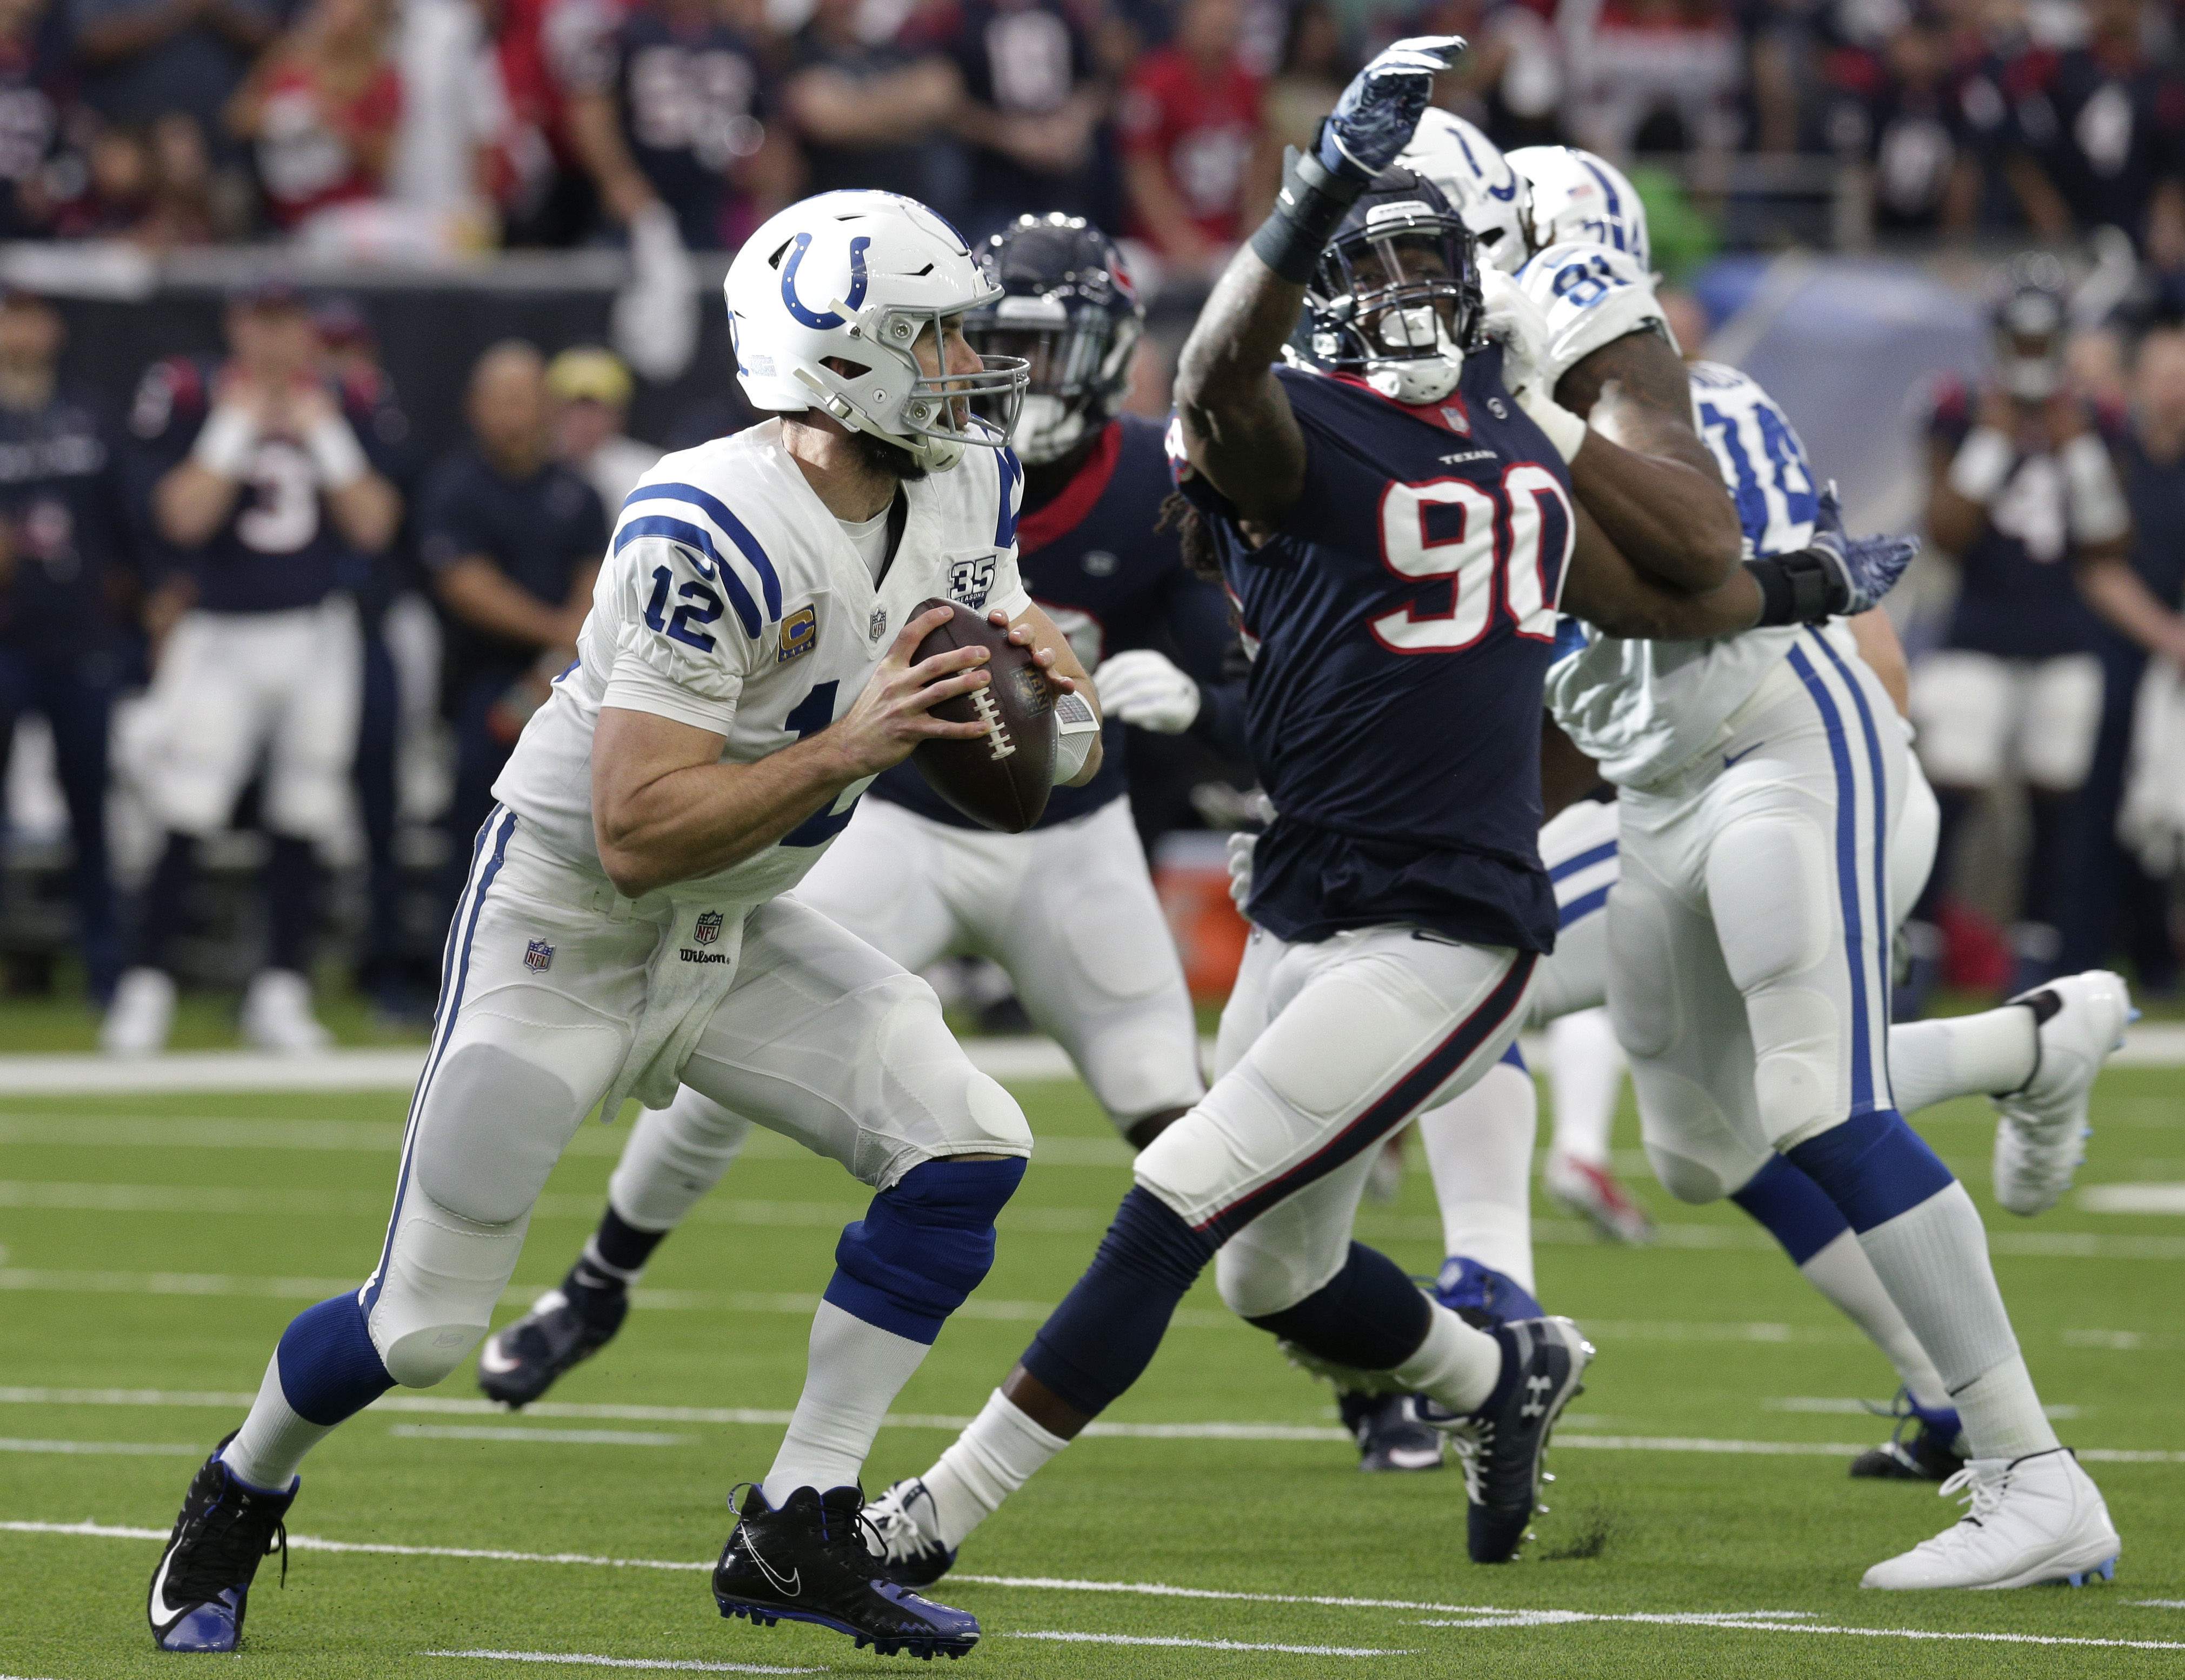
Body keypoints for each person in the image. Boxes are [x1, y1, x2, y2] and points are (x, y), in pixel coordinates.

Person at [855, 39, 1909, 1585]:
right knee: (1270, 1276)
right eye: (1378, 256)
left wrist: (1804, 583)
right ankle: (1500, 1375)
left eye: (1431, 254)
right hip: (1308, 890)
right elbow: (1213, 376)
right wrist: (1310, 193)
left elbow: (1654, 598)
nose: (1412, 285)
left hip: (1449, 918)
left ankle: (927, 1515)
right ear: (1322, 287)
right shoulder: (1285, 422)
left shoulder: (1514, 443)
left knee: (1176, 1196)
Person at [142, 186, 1105, 1661]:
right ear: (839, 362)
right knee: (419, 1327)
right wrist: (852, 747)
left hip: (739, 925)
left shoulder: (967, 476)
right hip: (571, 923)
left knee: (969, 1141)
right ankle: (241, 1477)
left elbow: (999, 647)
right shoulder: (703, 521)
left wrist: (1053, 696)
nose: (974, 365)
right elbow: (637, 832)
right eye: (935, 335)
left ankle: (796, 1519)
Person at [477, 212, 1240, 1407]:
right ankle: (595, 1283)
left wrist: (1136, 709)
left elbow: (1182, 673)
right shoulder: (837, 475)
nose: (999, 372)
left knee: (1181, 1124)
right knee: (721, 1063)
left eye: (1030, 346)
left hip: (1075, 843)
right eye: (977, 340)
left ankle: (1353, 1359)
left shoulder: (1107, 472)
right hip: (897, 819)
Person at [1494, 155, 2123, 1586]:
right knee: (1703, 1145)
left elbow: (1720, 585)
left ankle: (2029, 1470)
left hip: (1783, 747)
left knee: (1809, 1096)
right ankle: (2031, 1042)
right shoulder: (1488, 444)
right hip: (1660, 791)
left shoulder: (1697, 410)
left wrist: (1522, 429)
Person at [103, 277, 403, 1056]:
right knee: (185, 805)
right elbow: (180, 515)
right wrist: (234, 428)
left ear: (306, 331)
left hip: (314, 632)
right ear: (237, 325)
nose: (274, 342)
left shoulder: (348, 399)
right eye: (260, 322)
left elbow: (374, 527)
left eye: (287, 324)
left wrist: (325, 435)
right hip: (219, 632)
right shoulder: (190, 393)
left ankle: (282, 987)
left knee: (304, 812)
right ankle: (145, 985)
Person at [1910, 265, 2130, 998]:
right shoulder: (1959, 407)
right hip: (1975, 633)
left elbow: (2108, 542)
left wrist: (2077, 450)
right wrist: (1992, 442)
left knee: (2057, 806)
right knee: (1949, 795)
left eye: (2043, 336)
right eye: (2022, 335)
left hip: (2061, 637)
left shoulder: (2090, 419)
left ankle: (2040, 964)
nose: (2032, 350)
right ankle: (1920, 952)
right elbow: (1946, 530)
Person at [418, 339, 607, 929]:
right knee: (476, 816)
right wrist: (558, 638)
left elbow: (596, 581)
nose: (513, 413)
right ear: (475, 406)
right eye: (500, 399)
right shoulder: (455, 488)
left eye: (524, 398)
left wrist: (558, 661)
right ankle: (457, 950)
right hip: (482, 682)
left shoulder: (579, 493)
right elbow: (467, 587)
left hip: (569, 681)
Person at [0, 287, 134, 1005]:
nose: (21, 329)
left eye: (31, 315)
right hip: (7, 638)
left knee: (91, 808)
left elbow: (124, 526)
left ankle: (106, 972)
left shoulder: (88, 415)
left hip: (79, 637)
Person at [561, 0, 781, 250]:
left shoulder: (740, 41)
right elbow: (593, 113)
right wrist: (618, 180)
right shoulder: (628, 34)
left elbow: (771, 128)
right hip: (644, 202)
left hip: (720, 205)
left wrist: (764, 185)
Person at [223, 0, 403, 231]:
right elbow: (236, 119)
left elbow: (386, 161)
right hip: (281, 216)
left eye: (354, 15)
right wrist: (286, 116)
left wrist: (338, 126)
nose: (342, 21)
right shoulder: (288, 58)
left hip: (348, 220)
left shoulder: (381, 76)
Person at [1115, 0, 1261, 284]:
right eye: (1213, 23)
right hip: (1158, 249)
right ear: (1188, 20)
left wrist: (1254, 222)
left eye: (1228, 24)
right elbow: (1142, 169)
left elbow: (1259, 159)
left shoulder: (1247, 81)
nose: (1221, 31)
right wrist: (1181, 242)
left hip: (1225, 241)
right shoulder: (1154, 81)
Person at [943, 0, 1101, 238]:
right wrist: (1011, 137)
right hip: (993, 187)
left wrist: (1076, 122)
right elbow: (947, 102)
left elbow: (1096, 81)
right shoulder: (962, 18)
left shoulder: (1065, 12)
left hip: (1067, 183)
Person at [548, 344, 661, 515]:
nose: (582, 421)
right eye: (573, 408)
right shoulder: (529, 470)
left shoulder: (652, 476)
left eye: (595, 410)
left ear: (619, 415)